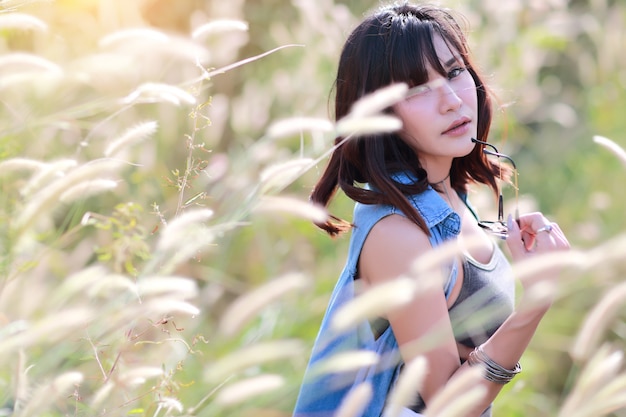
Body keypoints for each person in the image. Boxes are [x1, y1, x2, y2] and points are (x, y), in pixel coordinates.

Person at [293, 2, 570, 417]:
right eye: (417, 90)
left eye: (454, 72)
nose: (451, 101)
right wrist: (536, 302)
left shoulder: (453, 198)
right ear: (379, 113)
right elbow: (446, 405)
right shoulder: (398, 234)